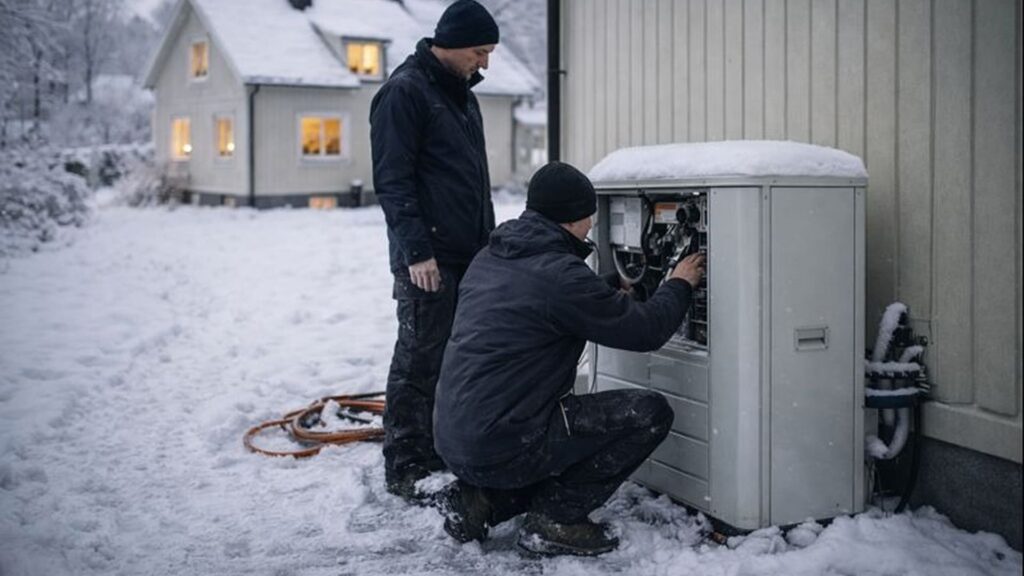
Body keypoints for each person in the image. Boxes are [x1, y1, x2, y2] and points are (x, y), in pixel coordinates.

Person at [433, 161, 706, 556]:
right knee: (649, 413)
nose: (592, 225)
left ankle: (480, 502)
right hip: (508, 440)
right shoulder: (560, 277)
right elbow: (647, 331)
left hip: (458, 437)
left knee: (533, 438)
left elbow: (549, 300)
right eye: (588, 216)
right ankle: (556, 519)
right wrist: (680, 283)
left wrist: (609, 292)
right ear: (571, 218)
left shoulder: (492, 257)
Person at [369, 0, 500, 501]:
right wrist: (416, 253)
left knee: (454, 357)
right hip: (428, 260)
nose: (484, 62)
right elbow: (393, 181)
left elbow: (470, 180)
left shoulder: (461, 96)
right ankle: (405, 463)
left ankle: (440, 445)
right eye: (480, 51)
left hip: (469, 254)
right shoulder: (405, 94)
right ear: (451, 43)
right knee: (419, 357)